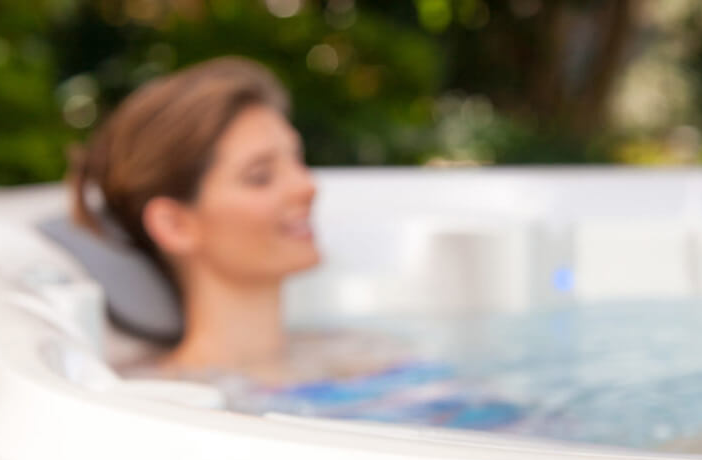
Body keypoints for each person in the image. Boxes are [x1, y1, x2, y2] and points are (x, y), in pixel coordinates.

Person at [69, 56, 521, 428]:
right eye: (261, 176)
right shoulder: (161, 403)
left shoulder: (362, 351)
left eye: (297, 160)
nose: (306, 187)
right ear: (175, 225)